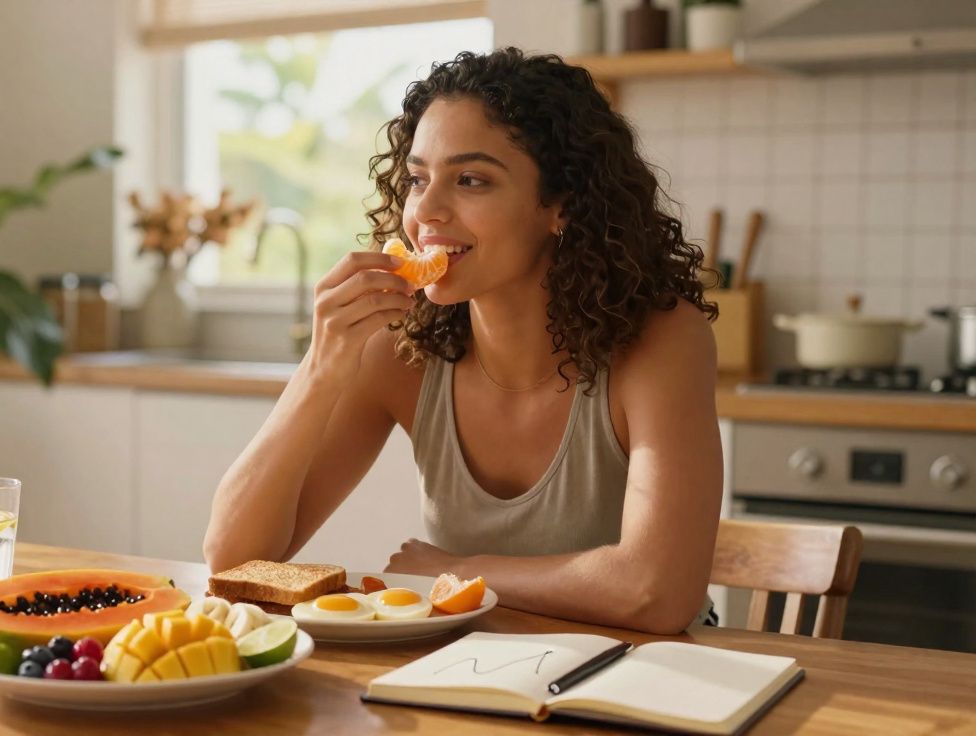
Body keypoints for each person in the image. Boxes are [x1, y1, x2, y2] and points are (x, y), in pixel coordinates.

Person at [203, 47, 722, 634]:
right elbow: (234, 563)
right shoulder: (399, 351)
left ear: (562, 203)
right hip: (475, 671)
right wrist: (321, 367)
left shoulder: (661, 339)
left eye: (471, 180)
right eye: (418, 179)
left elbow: (655, 594)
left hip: (652, 677)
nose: (426, 210)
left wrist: (459, 569)